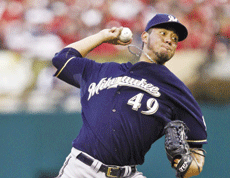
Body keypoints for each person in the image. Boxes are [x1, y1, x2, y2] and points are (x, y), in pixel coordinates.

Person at [52, 14, 207, 178]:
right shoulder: (104, 71)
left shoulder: (176, 90)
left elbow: (197, 155)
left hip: (126, 174)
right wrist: (102, 37)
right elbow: (62, 59)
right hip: (82, 169)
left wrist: (188, 166)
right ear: (145, 36)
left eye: (174, 38)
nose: (169, 40)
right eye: (163, 33)